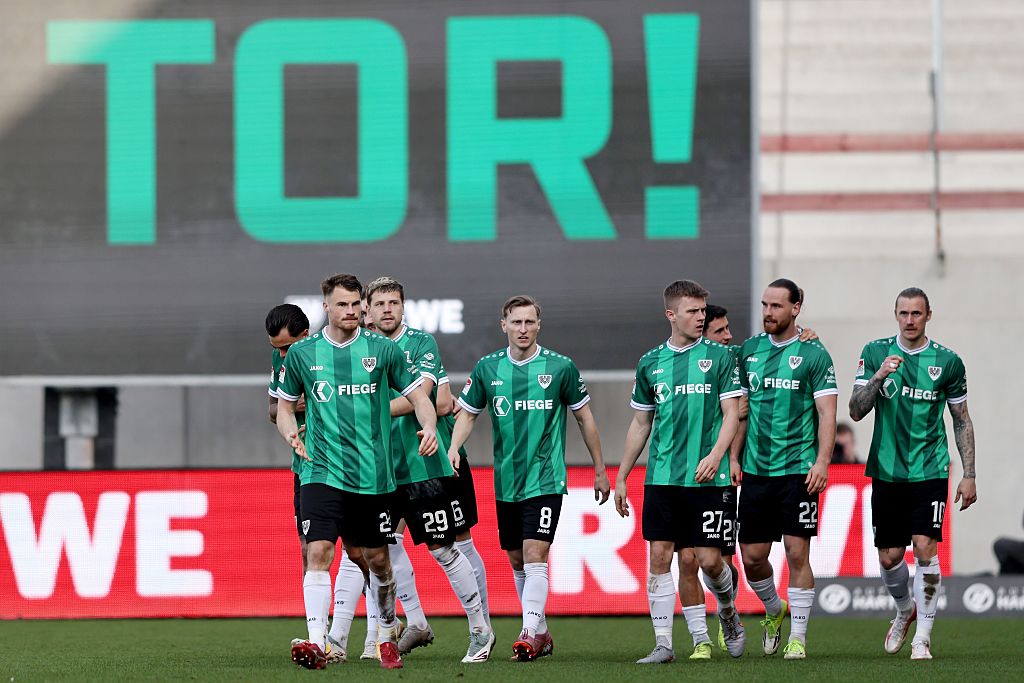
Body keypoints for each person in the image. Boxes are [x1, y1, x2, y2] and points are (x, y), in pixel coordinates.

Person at [276, 273, 439, 670]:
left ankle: (386, 630)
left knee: (376, 560)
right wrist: (291, 436)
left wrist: (429, 424)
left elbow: (419, 395)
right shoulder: (303, 353)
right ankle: (318, 643)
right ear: (326, 307)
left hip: (373, 476)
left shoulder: (382, 350)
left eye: (355, 305)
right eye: (342, 304)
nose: (351, 311)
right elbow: (284, 407)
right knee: (318, 551)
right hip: (321, 469)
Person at [447, 295, 611, 661]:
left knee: (537, 554)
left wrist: (600, 469)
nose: (523, 329)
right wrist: (453, 448)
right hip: (506, 481)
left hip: (546, 478)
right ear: (503, 325)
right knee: (518, 559)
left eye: (529, 322)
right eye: (516, 322)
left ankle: (527, 632)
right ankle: (542, 632)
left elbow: (585, 418)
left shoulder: (560, 368)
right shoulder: (488, 368)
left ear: (539, 325)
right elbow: (469, 414)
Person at [364, 276, 494, 663]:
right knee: (383, 549)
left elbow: (427, 396)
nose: (387, 309)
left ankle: (480, 630)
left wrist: (362, 412)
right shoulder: (363, 349)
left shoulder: (420, 343)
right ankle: (406, 626)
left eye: (394, 302)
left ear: (403, 307)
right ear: (368, 309)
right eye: (380, 303)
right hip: (382, 469)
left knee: (445, 548)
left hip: (424, 463)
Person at [614, 281, 745, 663]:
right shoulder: (651, 362)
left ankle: (728, 612)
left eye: (704, 310)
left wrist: (717, 455)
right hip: (662, 478)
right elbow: (641, 423)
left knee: (707, 560)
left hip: (707, 477)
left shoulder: (720, 358)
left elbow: (731, 413)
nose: (701, 317)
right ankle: (666, 644)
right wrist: (623, 475)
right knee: (660, 557)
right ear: (671, 315)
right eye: (693, 311)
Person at [849, 287, 977, 660]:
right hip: (887, 470)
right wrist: (878, 376)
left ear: (928, 315)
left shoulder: (948, 361)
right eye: (903, 313)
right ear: (895, 314)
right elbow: (856, 411)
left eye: (916, 314)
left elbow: (961, 420)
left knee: (924, 547)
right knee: (889, 557)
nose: (909, 320)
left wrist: (969, 473)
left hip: (930, 469)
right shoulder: (875, 352)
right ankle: (904, 608)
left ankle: (923, 635)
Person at [736, 279, 838, 660]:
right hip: (757, 471)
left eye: (776, 306)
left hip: (798, 469)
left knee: (797, 552)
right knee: (752, 557)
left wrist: (823, 461)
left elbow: (828, 412)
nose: (768, 312)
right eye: (764, 305)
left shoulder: (814, 354)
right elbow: (738, 412)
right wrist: (733, 456)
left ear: (796, 308)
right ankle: (774, 610)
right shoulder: (748, 351)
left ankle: (798, 637)